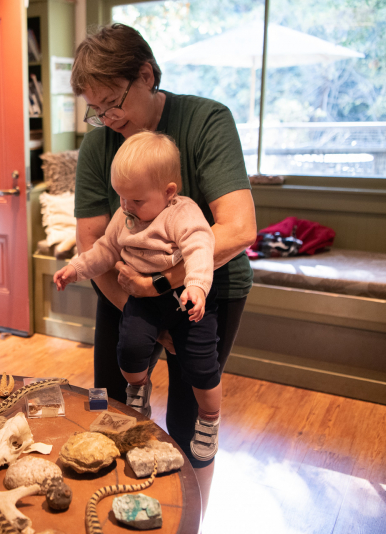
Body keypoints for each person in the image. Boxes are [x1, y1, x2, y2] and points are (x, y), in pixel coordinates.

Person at [71, 23, 257, 511]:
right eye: (95, 109)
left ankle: (188, 517)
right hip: (125, 289)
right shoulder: (98, 145)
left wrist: (162, 292)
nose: (106, 118)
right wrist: (146, 318)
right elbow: (93, 243)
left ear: (147, 76)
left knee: (188, 417)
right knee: (115, 405)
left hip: (208, 289)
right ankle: (121, 510)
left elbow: (237, 229)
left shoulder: (206, 120)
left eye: (113, 102)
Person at [54, 131, 221, 461]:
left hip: (185, 299)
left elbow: (202, 248)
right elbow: (104, 248)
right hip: (144, 302)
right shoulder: (125, 215)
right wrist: (76, 268)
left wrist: (198, 287)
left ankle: (210, 419)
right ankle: (138, 388)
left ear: (168, 192)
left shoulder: (181, 214)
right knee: (128, 349)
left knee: (201, 367)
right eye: (121, 198)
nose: (127, 207)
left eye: (137, 200)